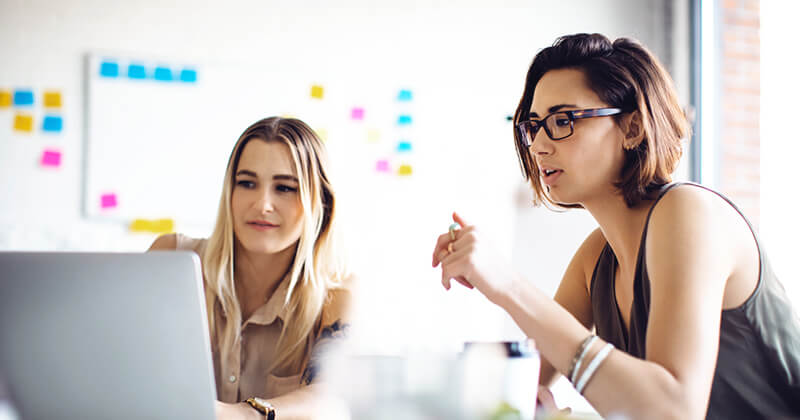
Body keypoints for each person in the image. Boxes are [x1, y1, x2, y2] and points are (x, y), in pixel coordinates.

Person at [432, 33, 800, 419]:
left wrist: (506, 283)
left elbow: (672, 409)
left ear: (633, 129)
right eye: (534, 126)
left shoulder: (689, 212)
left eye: (563, 120)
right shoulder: (596, 259)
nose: (539, 146)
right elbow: (520, 388)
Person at [150, 117, 353, 420]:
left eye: (284, 188)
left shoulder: (338, 295)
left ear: (320, 203)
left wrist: (244, 415)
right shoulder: (171, 259)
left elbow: (332, 399)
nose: (263, 204)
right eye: (247, 183)